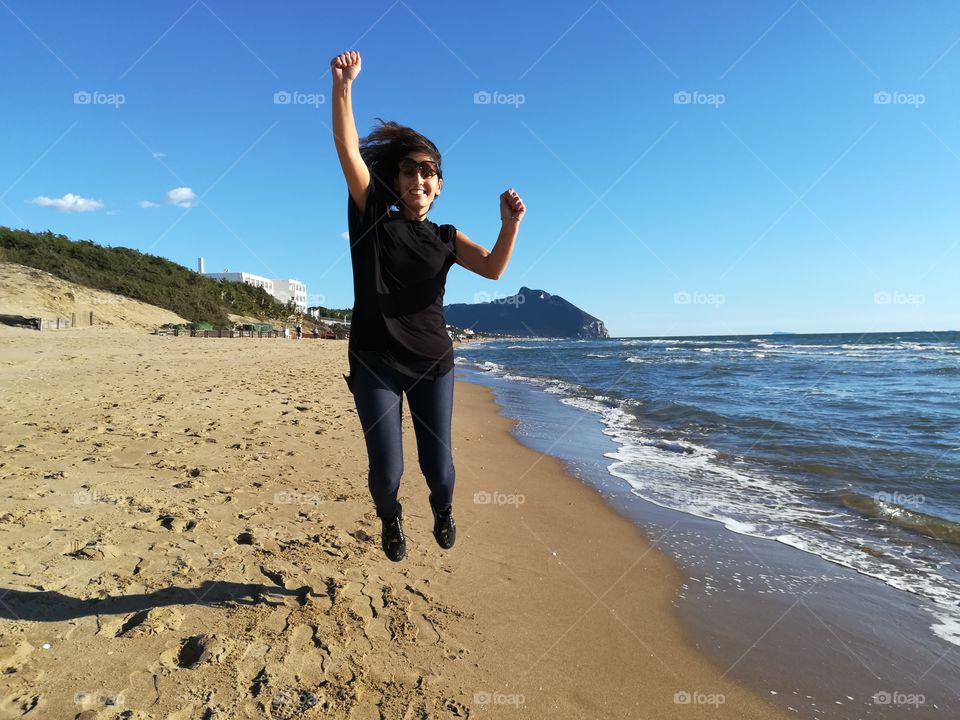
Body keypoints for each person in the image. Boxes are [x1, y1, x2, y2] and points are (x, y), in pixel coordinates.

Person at [330, 50, 526, 562]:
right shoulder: (372, 214)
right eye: (410, 171)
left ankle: (442, 509)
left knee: (438, 469)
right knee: (387, 472)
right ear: (395, 181)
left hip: (433, 364)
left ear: (439, 185)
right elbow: (347, 148)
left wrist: (510, 226)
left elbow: (493, 270)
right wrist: (344, 85)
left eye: (429, 172)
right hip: (374, 361)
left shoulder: (444, 236)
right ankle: (391, 517)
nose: (419, 179)